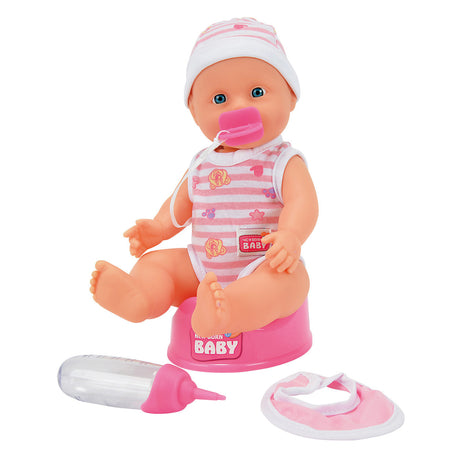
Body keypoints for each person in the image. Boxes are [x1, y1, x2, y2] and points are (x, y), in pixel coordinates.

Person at [90, 18, 318, 338]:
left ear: (291, 96)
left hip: (262, 262)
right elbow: (180, 204)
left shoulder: (282, 161)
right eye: (220, 99)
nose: (239, 108)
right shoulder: (203, 163)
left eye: (256, 92)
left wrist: (291, 235)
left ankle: (231, 312)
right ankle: (141, 295)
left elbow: (303, 201)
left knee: (288, 283)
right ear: (195, 112)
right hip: (202, 266)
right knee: (158, 265)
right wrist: (159, 228)